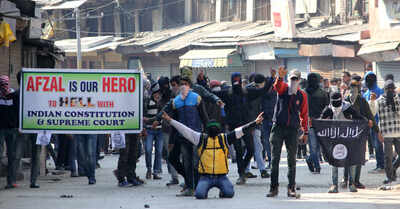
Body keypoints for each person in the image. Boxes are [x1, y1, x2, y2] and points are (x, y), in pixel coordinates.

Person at [162, 111, 265, 199]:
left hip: (222, 177)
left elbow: (241, 130)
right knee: (200, 195)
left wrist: (255, 123)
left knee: (229, 193)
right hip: (206, 177)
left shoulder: (223, 139)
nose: (213, 129)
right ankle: (207, 188)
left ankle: (223, 189)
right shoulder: (202, 139)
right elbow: (184, 130)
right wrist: (170, 120)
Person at [266, 67, 309, 198]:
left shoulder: (302, 95)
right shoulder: (283, 88)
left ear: (299, 80)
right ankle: (274, 188)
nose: (294, 81)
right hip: (278, 127)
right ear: (289, 79)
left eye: (296, 79)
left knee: (292, 160)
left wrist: (305, 131)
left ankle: (291, 187)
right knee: (275, 159)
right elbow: (277, 86)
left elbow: (304, 114)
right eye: (292, 79)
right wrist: (279, 77)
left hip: (292, 130)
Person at [320, 91, 367, 193]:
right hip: (334, 138)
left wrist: (365, 121)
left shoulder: (348, 107)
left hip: (348, 138)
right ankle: (334, 185)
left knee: (351, 160)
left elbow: (359, 117)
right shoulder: (328, 109)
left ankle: (352, 184)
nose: (336, 106)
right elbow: (321, 121)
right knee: (334, 161)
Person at [343, 75, 379, 189]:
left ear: (359, 88)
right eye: (352, 87)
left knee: (358, 157)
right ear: (349, 88)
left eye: (356, 87)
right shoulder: (344, 101)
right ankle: (346, 179)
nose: (354, 89)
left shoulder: (362, 100)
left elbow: (369, 116)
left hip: (360, 133)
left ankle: (356, 181)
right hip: (347, 133)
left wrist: (377, 131)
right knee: (346, 157)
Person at [0, 75, 23, 189]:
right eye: (2, 84)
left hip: (12, 129)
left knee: (12, 156)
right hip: (1, 129)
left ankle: (11, 181)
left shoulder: (14, 95)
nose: (4, 86)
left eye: (6, 84)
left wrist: (19, 126)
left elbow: (18, 111)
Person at [375, 80, 400, 184]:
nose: (390, 91)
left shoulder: (398, 99)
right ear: (384, 90)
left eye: (392, 89)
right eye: (388, 89)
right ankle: (390, 177)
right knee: (388, 157)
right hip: (386, 132)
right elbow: (372, 112)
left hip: (398, 131)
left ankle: (393, 168)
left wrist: (395, 105)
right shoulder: (379, 101)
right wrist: (372, 101)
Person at [305, 73, 330, 174]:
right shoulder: (322, 93)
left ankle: (311, 160)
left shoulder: (304, 93)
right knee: (316, 146)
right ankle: (317, 166)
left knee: (314, 146)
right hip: (319, 122)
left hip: (311, 121)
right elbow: (328, 107)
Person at [363, 71, 385, 174]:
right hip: (370, 123)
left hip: (378, 123)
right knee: (377, 145)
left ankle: (381, 166)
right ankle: (380, 164)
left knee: (378, 145)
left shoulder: (378, 92)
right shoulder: (367, 93)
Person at [143, 83, 164, 180]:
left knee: (159, 151)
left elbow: (163, 115)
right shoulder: (147, 101)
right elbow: (143, 116)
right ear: (153, 93)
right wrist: (143, 127)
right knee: (148, 150)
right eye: (156, 93)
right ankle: (149, 169)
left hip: (160, 130)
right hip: (149, 130)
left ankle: (156, 172)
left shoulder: (162, 102)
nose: (157, 95)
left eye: (159, 93)